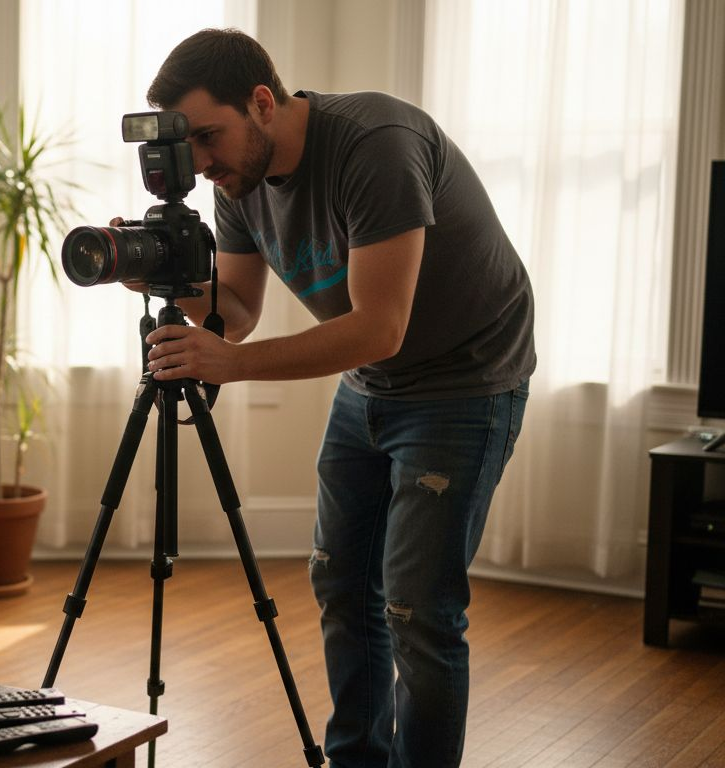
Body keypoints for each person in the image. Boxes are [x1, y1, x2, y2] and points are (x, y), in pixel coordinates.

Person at [135, 28, 535, 768]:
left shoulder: (373, 143)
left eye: (208, 136)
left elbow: (379, 327)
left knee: (418, 611)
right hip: (373, 382)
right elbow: (239, 309)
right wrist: (145, 271)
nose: (200, 161)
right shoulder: (237, 181)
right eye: (186, 145)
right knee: (342, 588)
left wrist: (233, 364)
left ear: (262, 102)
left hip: (464, 382)